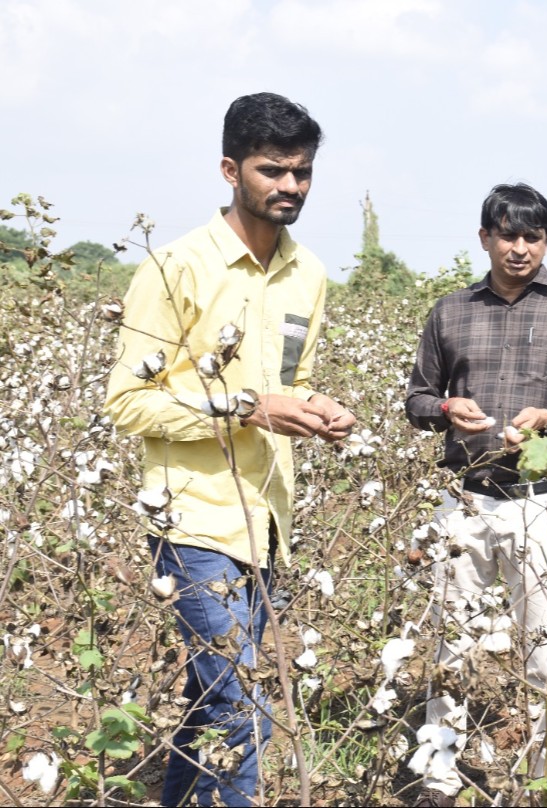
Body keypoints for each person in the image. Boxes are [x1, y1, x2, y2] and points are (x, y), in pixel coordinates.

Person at [104, 92, 356, 807]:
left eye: (302, 172)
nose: (290, 187)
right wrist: (249, 407)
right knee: (238, 699)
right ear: (229, 170)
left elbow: (290, 382)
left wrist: (315, 409)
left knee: (213, 698)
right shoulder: (173, 267)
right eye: (273, 170)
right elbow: (128, 402)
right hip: (192, 520)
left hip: (267, 520)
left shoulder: (308, 272)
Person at [405, 182, 547, 807]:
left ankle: (542, 774)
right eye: (508, 234)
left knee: (545, 645)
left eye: (532, 236)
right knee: (451, 643)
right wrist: (447, 407)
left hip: (539, 500)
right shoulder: (449, 312)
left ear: (546, 241)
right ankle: (441, 777)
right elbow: (416, 400)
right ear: (485, 238)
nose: (520, 248)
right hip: (466, 501)